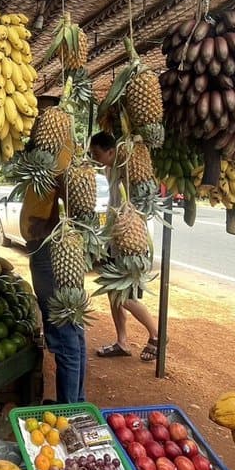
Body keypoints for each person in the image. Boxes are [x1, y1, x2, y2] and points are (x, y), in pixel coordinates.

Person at [19, 123, 87, 403]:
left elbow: (75, 202)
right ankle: (75, 400)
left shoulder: (62, 154)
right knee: (72, 329)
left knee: (64, 333)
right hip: (46, 248)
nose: (37, 126)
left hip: (51, 252)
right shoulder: (49, 154)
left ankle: (69, 406)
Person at [89, 131, 159, 362]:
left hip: (129, 240)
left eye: (97, 154)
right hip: (114, 239)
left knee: (124, 296)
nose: (95, 158)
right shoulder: (109, 169)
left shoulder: (128, 167)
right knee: (113, 293)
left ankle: (157, 335)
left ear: (111, 151)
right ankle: (122, 341)